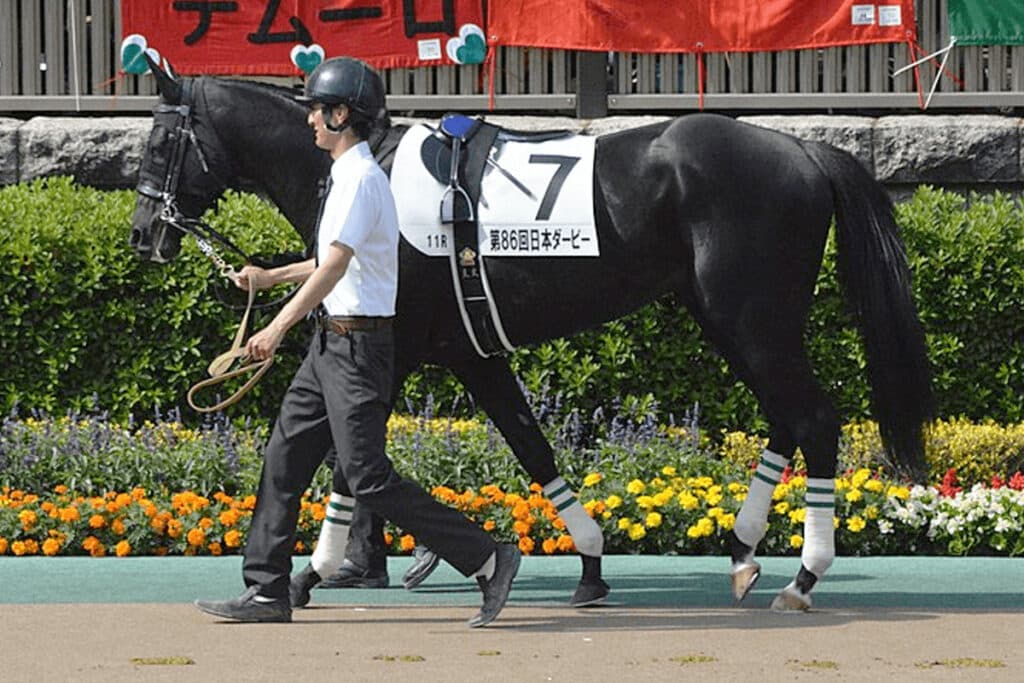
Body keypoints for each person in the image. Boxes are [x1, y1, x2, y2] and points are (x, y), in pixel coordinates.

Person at [194, 56, 520, 627]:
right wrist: (269, 278)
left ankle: (488, 558)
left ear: (342, 115)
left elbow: (335, 268)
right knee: (284, 458)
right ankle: (266, 590)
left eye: (317, 110)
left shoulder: (362, 178)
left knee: (368, 477)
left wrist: (275, 328)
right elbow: (330, 259)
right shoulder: (348, 175)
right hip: (331, 348)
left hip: (358, 350)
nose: (310, 120)